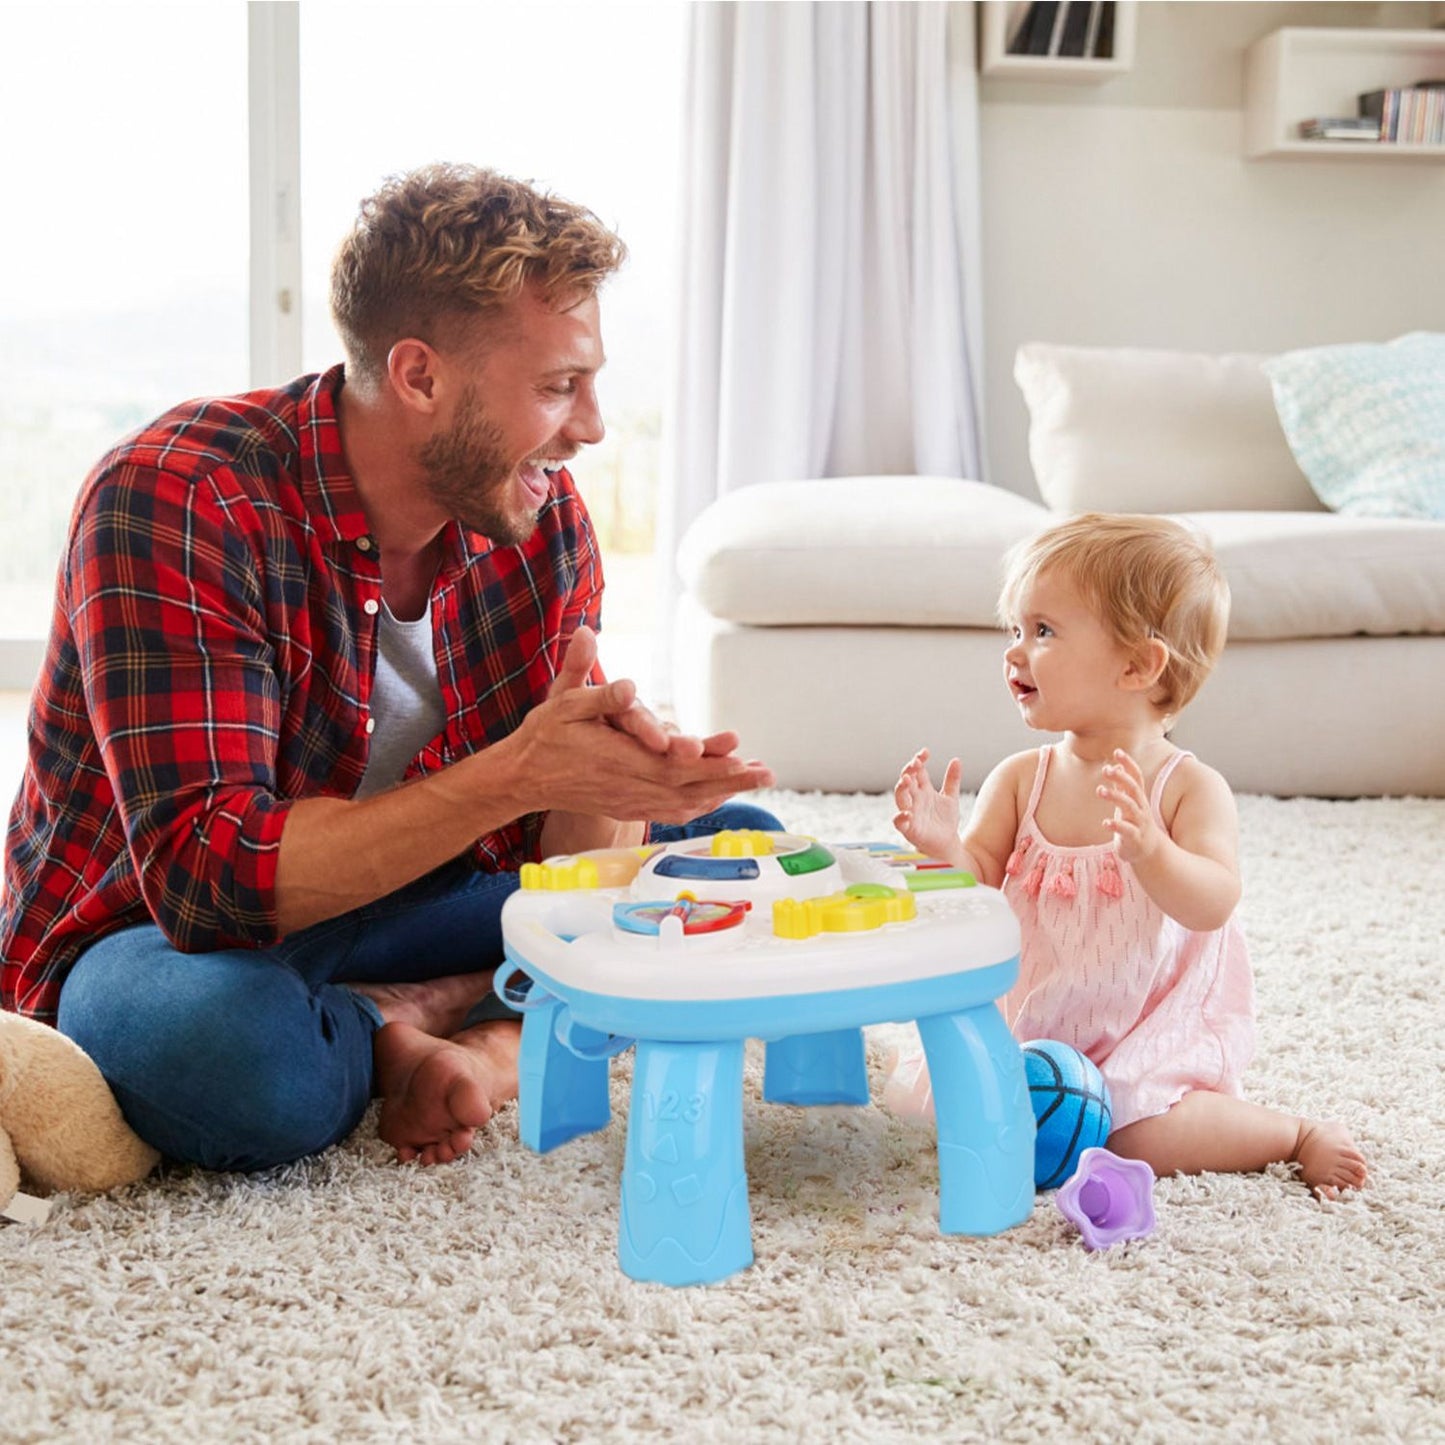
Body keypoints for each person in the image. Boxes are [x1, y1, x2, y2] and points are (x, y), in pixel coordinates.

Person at [0, 163, 778, 1175]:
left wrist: (604, 781)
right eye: (555, 387)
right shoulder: (177, 496)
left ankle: (456, 1032)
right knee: (215, 1047)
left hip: (424, 899)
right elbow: (205, 879)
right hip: (178, 938)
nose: (588, 427)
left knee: (745, 857)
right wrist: (521, 774)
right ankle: (435, 1021)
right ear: (418, 376)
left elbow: (561, 870)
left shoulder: (535, 512)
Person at [885, 513, 1368, 1199]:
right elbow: (978, 885)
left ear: (1137, 665)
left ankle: (1289, 1132)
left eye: (1044, 631)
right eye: (1015, 629)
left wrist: (1151, 851)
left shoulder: (1187, 788)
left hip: (1141, 1026)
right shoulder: (1021, 778)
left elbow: (1214, 899)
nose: (1015, 651)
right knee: (945, 1106)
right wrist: (942, 846)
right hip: (1037, 1017)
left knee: (1130, 1133)